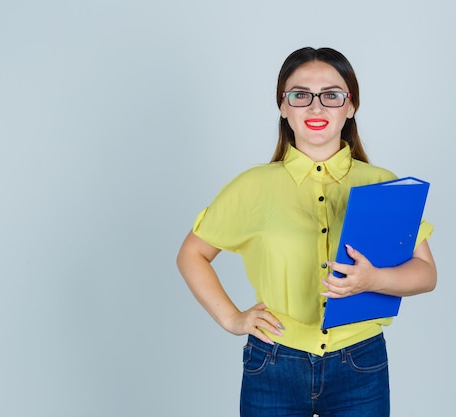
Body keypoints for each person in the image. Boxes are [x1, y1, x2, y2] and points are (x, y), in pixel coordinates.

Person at [176, 46, 437, 417]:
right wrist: (232, 318)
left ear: (351, 106)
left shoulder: (383, 185)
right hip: (274, 360)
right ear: (283, 107)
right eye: (301, 96)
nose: (316, 108)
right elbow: (192, 254)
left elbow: (426, 273)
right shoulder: (252, 186)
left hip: (360, 361)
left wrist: (373, 279)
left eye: (331, 95)